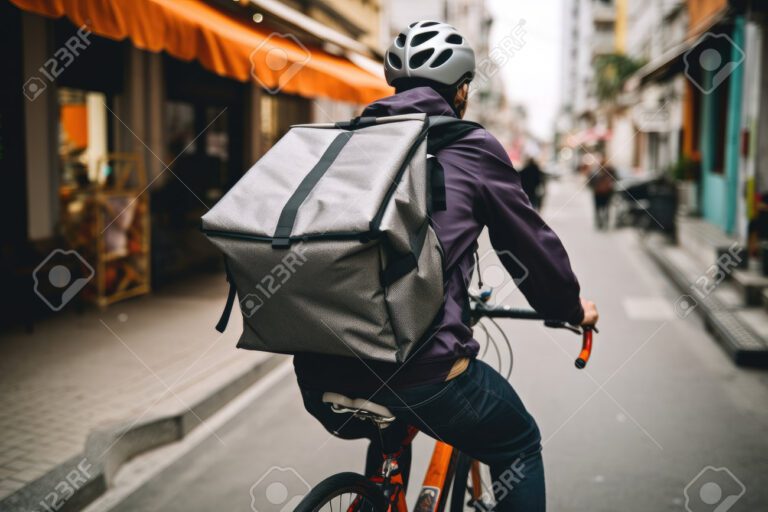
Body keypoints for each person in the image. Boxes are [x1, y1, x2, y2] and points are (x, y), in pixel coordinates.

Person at [293, 21, 598, 512]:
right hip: (425, 373)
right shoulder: (471, 147)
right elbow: (528, 246)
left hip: (318, 369)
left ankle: (380, 498)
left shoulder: (348, 143)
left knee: (391, 424)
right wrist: (567, 307)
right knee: (516, 441)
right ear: (461, 91)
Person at [589, 160, 616, 230]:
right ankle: (602, 222)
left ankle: (601, 222)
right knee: (603, 209)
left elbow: (590, 183)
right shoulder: (607, 172)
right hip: (601, 194)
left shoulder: (597, 172)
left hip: (601, 194)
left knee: (601, 209)